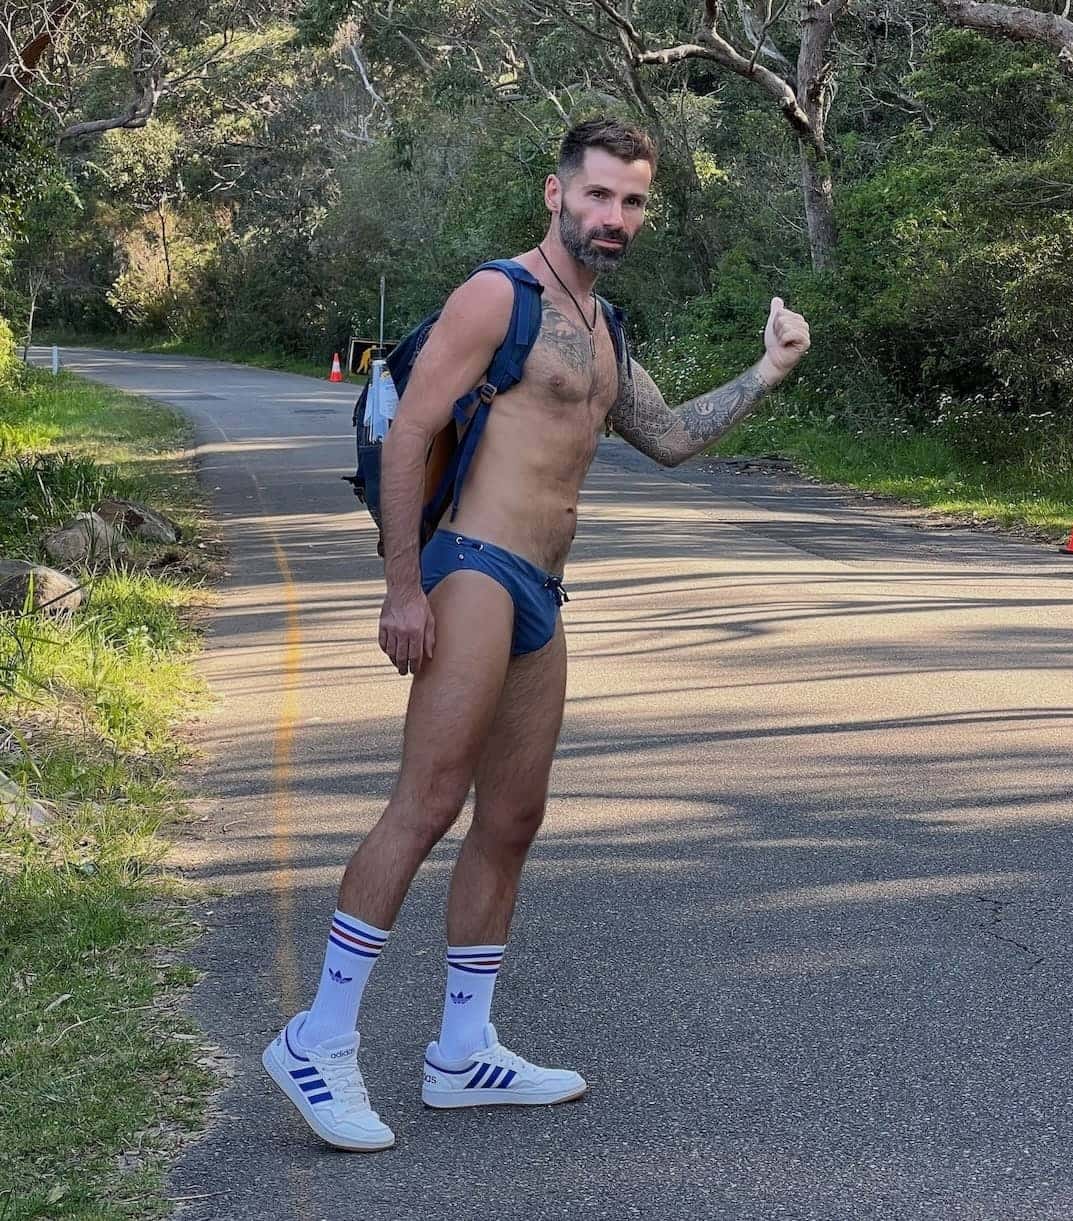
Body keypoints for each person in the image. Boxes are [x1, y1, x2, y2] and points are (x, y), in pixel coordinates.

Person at [262, 116, 812, 1152]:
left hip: (544, 593)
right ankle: (317, 1035)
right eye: (598, 195)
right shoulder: (496, 296)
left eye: (633, 201)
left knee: (512, 818)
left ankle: (462, 1053)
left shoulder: (604, 329)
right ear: (555, 195)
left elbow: (672, 438)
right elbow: (413, 429)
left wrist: (771, 369)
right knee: (425, 805)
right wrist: (402, 589)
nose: (614, 216)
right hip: (471, 569)